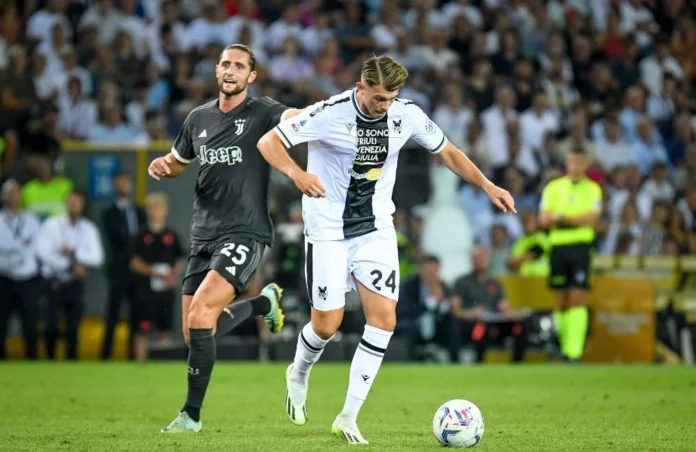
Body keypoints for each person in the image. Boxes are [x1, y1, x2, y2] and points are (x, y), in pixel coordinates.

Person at [257, 55, 515, 444]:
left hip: (375, 229)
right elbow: (269, 141)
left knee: (384, 320)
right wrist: (297, 173)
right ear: (360, 88)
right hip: (327, 230)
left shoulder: (406, 114)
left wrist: (488, 186)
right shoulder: (329, 113)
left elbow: (447, 151)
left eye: (391, 98)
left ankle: (347, 416)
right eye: (379, 98)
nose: (385, 106)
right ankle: (298, 371)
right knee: (327, 325)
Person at [148, 44, 305, 433]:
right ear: (217, 71)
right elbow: (177, 162)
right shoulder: (197, 118)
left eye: (239, 66)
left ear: (251, 76)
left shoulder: (264, 112)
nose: (230, 70)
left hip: (245, 231)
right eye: (225, 64)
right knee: (198, 332)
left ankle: (191, 416)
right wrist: (162, 166)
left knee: (202, 314)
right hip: (203, 234)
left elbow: (299, 118)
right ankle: (261, 304)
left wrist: (335, 109)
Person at [539, 148, 602, 362]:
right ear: (567, 164)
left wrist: (561, 218)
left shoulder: (593, 189)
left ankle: (574, 352)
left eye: (579, 163)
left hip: (580, 248)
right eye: (572, 162)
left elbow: (591, 219)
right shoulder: (553, 188)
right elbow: (544, 220)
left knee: (577, 296)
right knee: (560, 299)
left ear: (585, 165)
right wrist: (575, 218)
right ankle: (564, 348)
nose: (575, 167)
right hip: (557, 247)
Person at [36, 191, 104, 360]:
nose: (73, 206)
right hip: (53, 282)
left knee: (73, 326)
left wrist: (75, 253)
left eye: (77, 203)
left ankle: (71, 361)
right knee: (50, 325)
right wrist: (69, 265)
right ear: (65, 203)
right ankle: (49, 359)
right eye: (71, 202)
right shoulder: (51, 226)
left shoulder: (88, 228)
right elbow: (42, 252)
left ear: (82, 206)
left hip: (74, 284)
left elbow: (97, 257)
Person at [130, 193, 184, 362]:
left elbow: (179, 259)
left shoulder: (172, 236)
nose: (156, 212)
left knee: (165, 326)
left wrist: (172, 275)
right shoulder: (140, 236)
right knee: (142, 328)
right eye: (152, 208)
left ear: (165, 211)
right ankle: (140, 362)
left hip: (165, 288)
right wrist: (153, 272)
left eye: (159, 208)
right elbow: (134, 262)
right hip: (145, 290)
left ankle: (164, 361)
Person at [451, 247, 529, 363]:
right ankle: (479, 362)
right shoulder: (462, 282)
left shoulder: (494, 283)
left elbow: (504, 306)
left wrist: (514, 314)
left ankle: (517, 362)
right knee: (481, 328)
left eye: (483, 258)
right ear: (472, 261)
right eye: (478, 258)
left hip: (495, 323)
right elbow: (455, 310)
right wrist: (471, 313)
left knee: (520, 325)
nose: (481, 261)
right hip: (472, 324)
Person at [101, 172, 146, 360]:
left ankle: (131, 356)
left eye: (126, 183)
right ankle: (105, 355)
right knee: (113, 315)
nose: (123, 186)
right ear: (114, 187)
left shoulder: (139, 211)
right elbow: (116, 238)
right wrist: (132, 256)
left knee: (136, 316)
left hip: (137, 272)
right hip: (119, 271)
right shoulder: (109, 213)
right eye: (119, 183)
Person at [0, 179, 42, 360]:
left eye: (17, 192)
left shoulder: (32, 221)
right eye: (9, 193)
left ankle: (32, 358)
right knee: (1, 322)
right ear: (3, 198)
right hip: (4, 277)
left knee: (30, 322)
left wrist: (13, 247)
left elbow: (38, 245)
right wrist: (20, 244)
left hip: (28, 278)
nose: (14, 196)